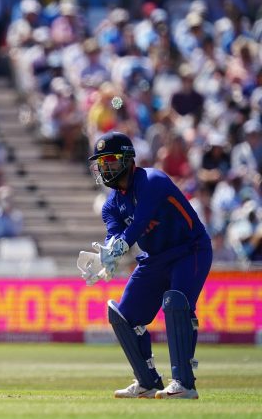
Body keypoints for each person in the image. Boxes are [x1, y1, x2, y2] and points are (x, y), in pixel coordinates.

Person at [80, 131, 212, 399]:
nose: (105, 167)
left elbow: (139, 223)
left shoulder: (153, 181)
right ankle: (147, 382)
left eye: (111, 160)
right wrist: (108, 254)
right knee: (123, 316)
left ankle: (184, 383)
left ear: (128, 159)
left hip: (189, 250)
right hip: (155, 258)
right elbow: (114, 233)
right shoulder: (110, 204)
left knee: (176, 302)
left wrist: (120, 246)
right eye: (101, 163)